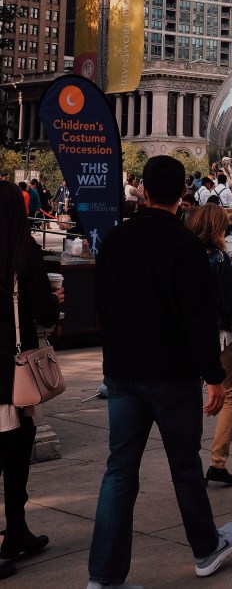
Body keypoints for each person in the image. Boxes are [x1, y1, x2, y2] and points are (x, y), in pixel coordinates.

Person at [86, 156, 232, 588]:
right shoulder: (185, 246)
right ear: (182, 196)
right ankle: (205, 549)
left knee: (119, 469)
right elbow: (197, 318)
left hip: (122, 371)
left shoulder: (114, 239)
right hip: (171, 374)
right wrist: (213, 376)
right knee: (184, 466)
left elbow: (103, 306)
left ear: (145, 192)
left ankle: (104, 576)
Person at [0, 182, 62, 581]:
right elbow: (45, 313)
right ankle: (16, 526)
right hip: (10, 371)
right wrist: (54, 302)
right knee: (15, 450)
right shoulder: (24, 254)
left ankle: (18, 531)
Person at [187, 204, 232, 487]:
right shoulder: (219, 258)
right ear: (216, 228)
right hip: (219, 337)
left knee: (188, 398)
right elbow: (230, 305)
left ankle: (188, 460)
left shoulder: (184, 256)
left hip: (187, 336)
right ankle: (218, 461)